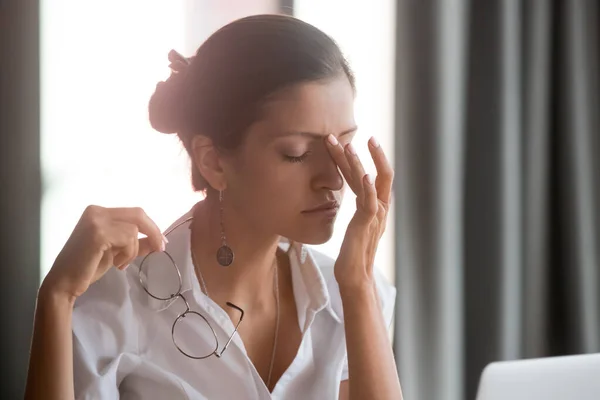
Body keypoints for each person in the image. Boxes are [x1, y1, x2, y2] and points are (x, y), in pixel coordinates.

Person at [25, 14, 402, 400]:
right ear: (213, 162)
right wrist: (55, 296)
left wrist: (358, 286)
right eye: (297, 153)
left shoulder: (352, 297)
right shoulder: (119, 303)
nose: (334, 179)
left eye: (342, 146)